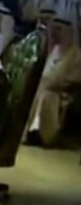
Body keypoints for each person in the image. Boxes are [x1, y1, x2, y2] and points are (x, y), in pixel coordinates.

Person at [25, 14, 81, 146]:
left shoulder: (77, 54)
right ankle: (31, 132)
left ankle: (43, 136)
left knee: (46, 96)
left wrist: (55, 83)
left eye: (60, 30)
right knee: (36, 92)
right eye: (54, 29)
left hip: (62, 93)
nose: (56, 34)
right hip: (46, 87)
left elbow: (75, 78)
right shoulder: (54, 50)